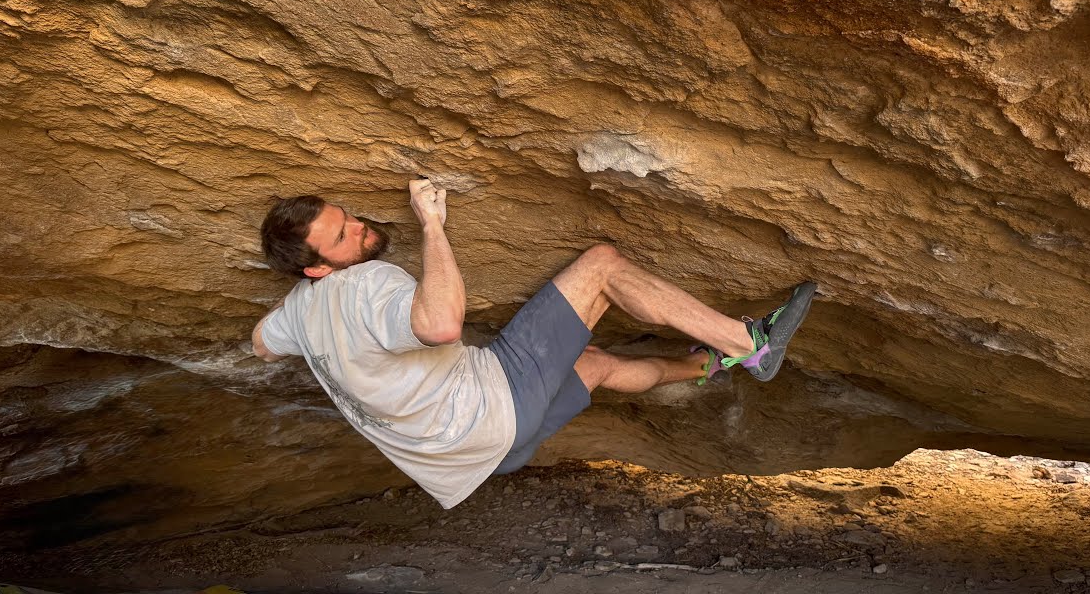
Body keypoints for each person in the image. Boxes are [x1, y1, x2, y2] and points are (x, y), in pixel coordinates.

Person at [252, 179, 817, 508]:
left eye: (346, 216)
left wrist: (299, 320)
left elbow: (260, 346)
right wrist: (431, 224)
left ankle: (703, 367)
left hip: (478, 464)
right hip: (491, 407)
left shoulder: (297, 313)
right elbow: (442, 324)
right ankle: (750, 343)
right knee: (600, 267)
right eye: (343, 235)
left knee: (591, 365)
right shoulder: (366, 283)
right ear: (319, 269)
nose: (358, 226)